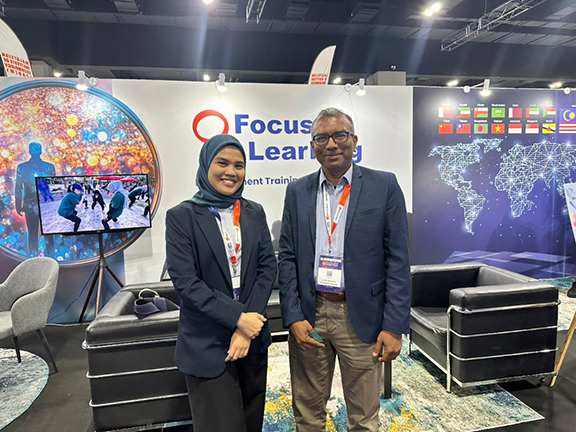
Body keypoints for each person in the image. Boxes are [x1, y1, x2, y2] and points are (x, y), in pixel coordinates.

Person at [278, 108, 411, 431]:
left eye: (339, 135)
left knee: (363, 417)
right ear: (312, 146)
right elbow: (288, 258)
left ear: (354, 141)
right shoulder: (297, 191)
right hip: (312, 314)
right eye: (322, 137)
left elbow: (398, 260)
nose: (331, 144)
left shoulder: (383, 185)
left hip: (361, 316)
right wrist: (293, 317)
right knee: (307, 413)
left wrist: (394, 326)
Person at [165, 134, 276, 432]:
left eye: (239, 165)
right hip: (207, 342)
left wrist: (248, 326)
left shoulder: (254, 211)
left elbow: (267, 269)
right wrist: (239, 318)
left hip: (252, 340)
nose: (231, 172)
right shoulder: (182, 216)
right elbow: (186, 283)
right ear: (206, 165)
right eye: (222, 163)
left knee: (251, 423)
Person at [14, 142, 56, 255]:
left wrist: (18, 205)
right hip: (45, 204)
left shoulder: (22, 167)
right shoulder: (49, 167)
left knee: (33, 234)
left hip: (30, 204)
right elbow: (53, 186)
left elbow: (18, 188)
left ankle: (33, 258)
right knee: (48, 233)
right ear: (41, 151)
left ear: (29, 152)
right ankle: (52, 257)